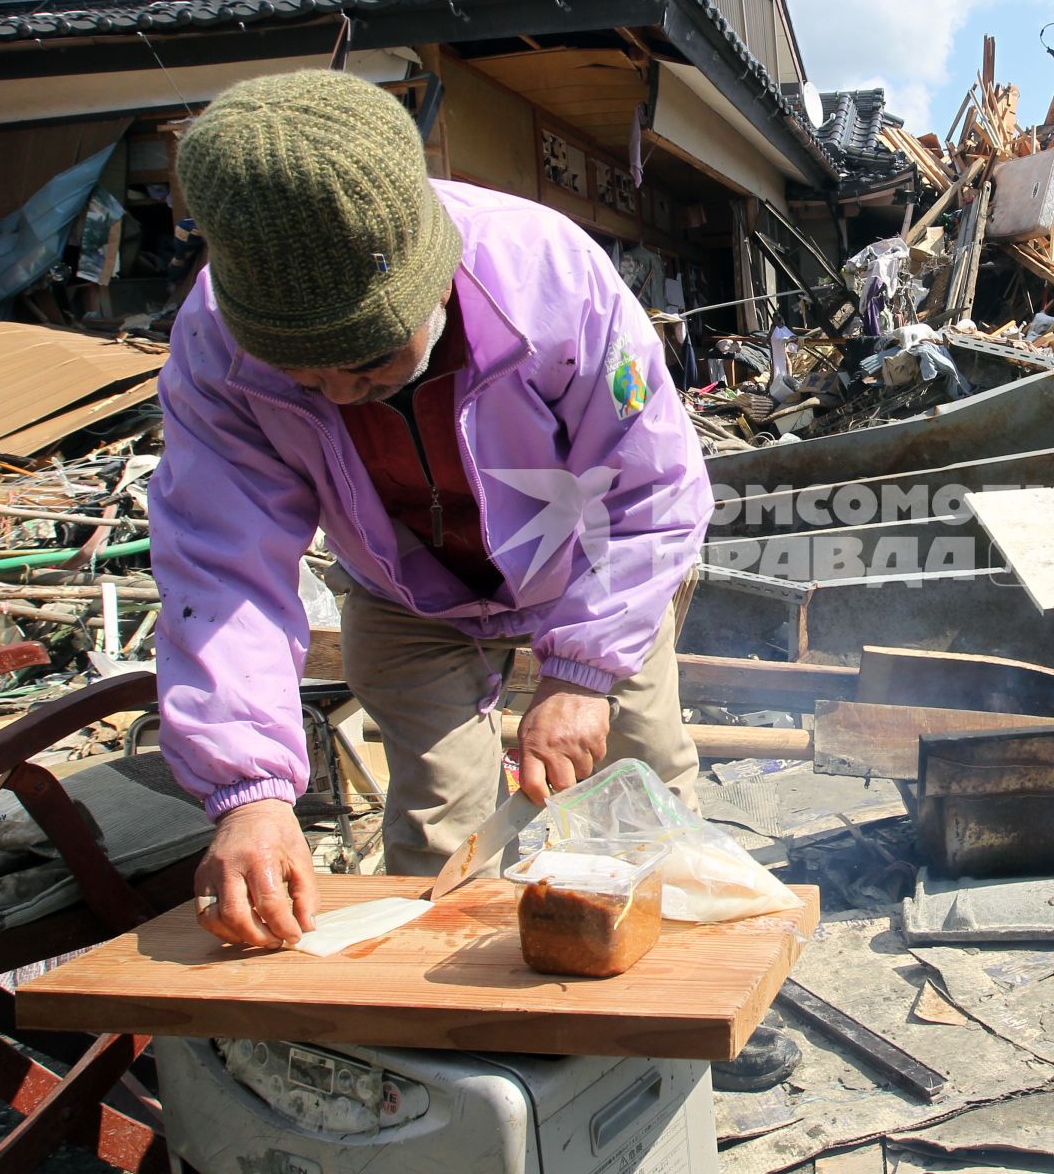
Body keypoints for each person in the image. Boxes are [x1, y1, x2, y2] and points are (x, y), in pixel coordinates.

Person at [151, 69, 713, 948]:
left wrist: (583, 674)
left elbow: (652, 487)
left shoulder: (550, 274)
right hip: (403, 597)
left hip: (590, 570)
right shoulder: (214, 346)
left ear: (435, 274)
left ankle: (684, 993)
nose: (342, 393)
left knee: (639, 788)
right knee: (442, 831)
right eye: (306, 378)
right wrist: (248, 791)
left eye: (371, 357)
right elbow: (219, 566)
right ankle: (467, 1037)